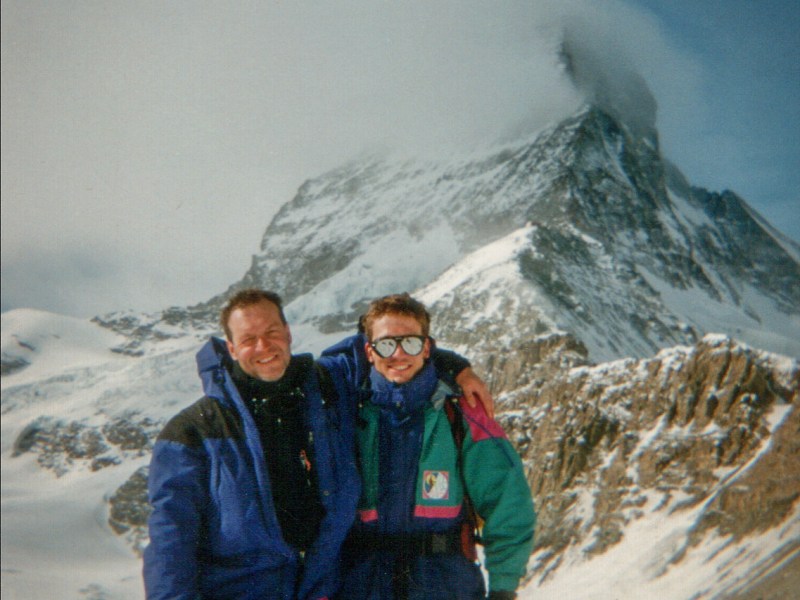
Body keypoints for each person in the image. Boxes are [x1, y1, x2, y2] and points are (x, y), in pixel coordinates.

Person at [143, 289, 491, 600]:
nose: (263, 347)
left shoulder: (323, 388)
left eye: (272, 333)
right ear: (231, 348)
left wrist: (455, 366)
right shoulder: (193, 431)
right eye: (248, 339)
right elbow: (170, 545)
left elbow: (390, 346)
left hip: (321, 588)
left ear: (288, 334)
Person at [331, 293, 536, 600]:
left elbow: (508, 504)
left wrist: (504, 588)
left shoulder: (462, 414)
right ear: (369, 352)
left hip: (446, 584)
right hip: (363, 584)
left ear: (427, 348)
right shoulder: (347, 414)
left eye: (411, 343)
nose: (398, 354)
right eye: (386, 344)